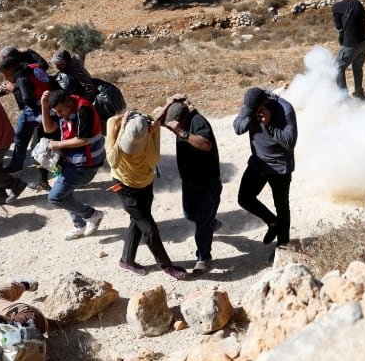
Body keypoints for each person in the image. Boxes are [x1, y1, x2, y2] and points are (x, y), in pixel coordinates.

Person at [105, 110, 187, 280]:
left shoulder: (150, 129)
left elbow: (153, 160)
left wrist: (155, 132)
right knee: (149, 228)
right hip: (124, 186)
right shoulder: (113, 123)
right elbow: (113, 160)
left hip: (145, 184)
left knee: (138, 220)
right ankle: (166, 265)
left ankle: (126, 260)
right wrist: (121, 133)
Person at [157, 95, 222, 275]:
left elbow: (206, 144)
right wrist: (169, 103)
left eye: (176, 125)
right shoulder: (179, 122)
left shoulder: (198, 122)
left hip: (207, 184)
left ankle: (203, 257)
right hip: (190, 183)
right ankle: (211, 223)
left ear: (183, 119)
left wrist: (182, 133)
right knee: (190, 214)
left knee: (201, 224)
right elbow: (156, 122)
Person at [233, 87, 298, 248]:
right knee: (244, 198)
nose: (252, 112)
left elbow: (290, 143)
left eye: (255, 110)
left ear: (265, 103)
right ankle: (273, 222)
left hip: (279, 166)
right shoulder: (250, 107)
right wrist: (250, 118)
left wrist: (269, 124)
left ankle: (283, 245)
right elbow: (238, 127)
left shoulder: (285, 109)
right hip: (259, 162)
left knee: (281, 205)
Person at [41, 89, 104, 240]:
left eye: (60, 111)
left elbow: (83, 140)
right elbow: (48, 128)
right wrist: (44, 106)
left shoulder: (84, 109)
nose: (58, 114)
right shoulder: (65, 108)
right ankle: (79, 225)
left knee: (55, 197)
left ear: (69, 104)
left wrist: (57, 145)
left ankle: (93, 215)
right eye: (55, 111)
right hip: (71, 161)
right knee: (65, 193)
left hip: (86, 164)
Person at [0, 57, 53, 181]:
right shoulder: (33, 67)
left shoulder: (21, 79)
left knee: (21, 138)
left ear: (14, 71)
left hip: (34, 111)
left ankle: (16, 167)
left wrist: (14, 89)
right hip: (49, 106)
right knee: (41, 141)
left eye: (7, 75)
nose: (6, 79)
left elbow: (27, 100)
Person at [332, 0, 365, 99]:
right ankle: (359, 93)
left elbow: (338, 27)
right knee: (357, 68)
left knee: (337, 67)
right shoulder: (356, 1)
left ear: (336, 2)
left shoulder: (336, 7)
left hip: (351, 45)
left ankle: (343, 97)